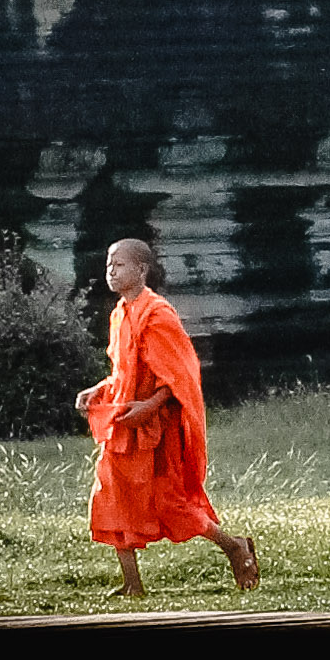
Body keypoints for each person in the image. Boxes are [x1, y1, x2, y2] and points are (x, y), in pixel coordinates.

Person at [77, 235, 260, 598]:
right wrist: (98, 388)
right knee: (111, 495)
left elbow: (179, 374)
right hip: (123, 423)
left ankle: (234, 545)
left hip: (155, 430)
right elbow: (123, 370)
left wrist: (149, 407)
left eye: (120, 265)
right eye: (109, 266)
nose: (111, 272)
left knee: (171, 503)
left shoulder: (158, 314)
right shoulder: (120, 314)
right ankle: (132, 583)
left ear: (141, 270)